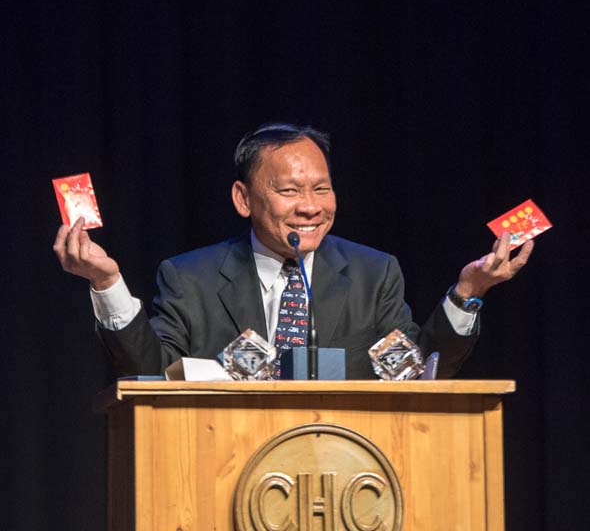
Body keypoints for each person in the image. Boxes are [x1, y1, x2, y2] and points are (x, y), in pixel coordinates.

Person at [53, 122, 533, 379]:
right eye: (289, 192)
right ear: (244, 199)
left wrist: (470, 291)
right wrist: (107, 283)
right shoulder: (189, 277)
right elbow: (150, 374)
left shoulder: (373, 272)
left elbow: (418, 371)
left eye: (321, 190)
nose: (310, 208)